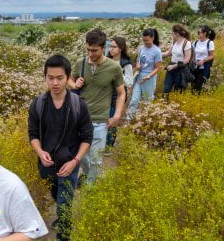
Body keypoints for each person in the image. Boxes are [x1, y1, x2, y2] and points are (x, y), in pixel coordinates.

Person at [28, 55, 92, 241]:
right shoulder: (38, 104)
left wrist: (75, 161)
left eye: (60, 78)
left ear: (68, 78)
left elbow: (87, 137)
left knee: (64, 206)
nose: (55, 83)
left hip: (69, 165)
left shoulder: (78, 104)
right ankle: (62, 214)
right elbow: (33, 134)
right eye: (50, 78)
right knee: (56, 194)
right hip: (47, 166)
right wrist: (40, 152)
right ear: (45, 77)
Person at [68, 29, 125, 184]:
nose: (90, 54)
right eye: (88, 50)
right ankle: (89, 177)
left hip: (100, 120)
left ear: (103, 48)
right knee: (80, 156)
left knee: (95, 158)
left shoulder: (114, 68)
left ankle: (91, 187)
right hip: (79, 118)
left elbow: (121, 93)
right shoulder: (81, 63)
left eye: (94, 50)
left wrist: (117, 115)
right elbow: (69, 80)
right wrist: (75, 84)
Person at [127, 28, 162, 120]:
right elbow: (139, 59)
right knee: (134, 99)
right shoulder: (141, 48)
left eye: (147, 40)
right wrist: (138, 65)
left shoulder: (157, 51)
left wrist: (148, 76)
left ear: (152, 38)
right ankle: (129, 119)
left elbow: (158, 68)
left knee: (147, 100)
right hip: (139, 76)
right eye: (144, 40)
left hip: (149, 78)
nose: (145, 42)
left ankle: (146, 120)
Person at [106, 36, 133, 148]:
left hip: (118, 95)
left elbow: (129, 82)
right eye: (110, 46)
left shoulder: (126, 64)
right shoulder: (106, 60)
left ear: (121, 48)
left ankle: (109, 145)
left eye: (114, 47)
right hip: (106, 93)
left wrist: (118, 72)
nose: (111, 49)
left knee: (113, 119)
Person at [161, 24, 193, 97]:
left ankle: (176, 107)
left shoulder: (187, 43)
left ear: (177, 34)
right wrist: (156, 53)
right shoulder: (174, 42)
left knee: (178, 92)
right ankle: (165, 105)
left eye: (172, 33)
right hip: (171, 68)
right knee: (166, 89)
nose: (171, 34)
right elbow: (168, 53)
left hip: (180, 69)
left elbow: (187, 60)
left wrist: (174, 66)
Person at [191, 25, 216, 94]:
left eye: (199, 32)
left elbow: (212, 56)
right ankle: (194, 101)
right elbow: (192, 53)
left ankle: (196, 101)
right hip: (194, 68)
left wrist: (203, 60)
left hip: (204, 68)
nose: (198, 34)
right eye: (198, 33)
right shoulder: (195, 42)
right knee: (192, 87)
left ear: (204, 33)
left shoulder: (210, 43)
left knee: (197, 87)